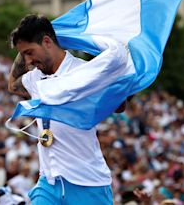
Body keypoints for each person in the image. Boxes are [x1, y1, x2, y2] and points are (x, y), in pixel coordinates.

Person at [8, 14, 126, 204]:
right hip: (49, 182)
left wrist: (108, 85)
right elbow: (13, 85)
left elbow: (120, 106)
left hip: (88, 183)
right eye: (23, 55)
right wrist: (23, 40)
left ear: (47, 42)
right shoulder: (35, 78)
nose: (28, 61)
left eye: (29, 52)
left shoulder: (85, 72)